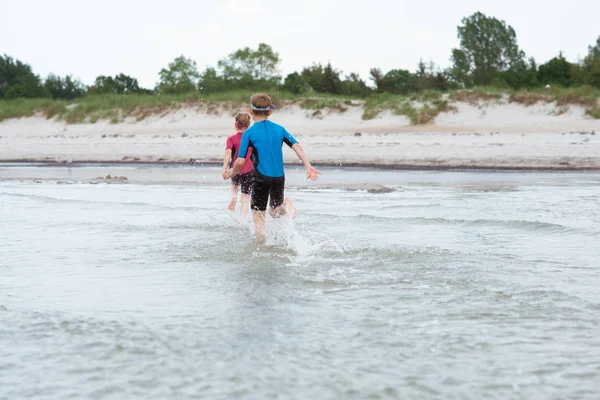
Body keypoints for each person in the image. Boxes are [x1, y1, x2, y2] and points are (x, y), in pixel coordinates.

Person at [226, 93, 321, 244]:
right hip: (279, 178)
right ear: (270, 111)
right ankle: (285, 206)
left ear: (251, 111)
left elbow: (240, 160)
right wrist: (308, 167)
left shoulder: (249, 133)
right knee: (274, 211)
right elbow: (297, 146)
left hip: (260, 179)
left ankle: (261, 250)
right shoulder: (280, 129)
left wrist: (231, 172)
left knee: (259, 217)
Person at [222, 113, 253, 218]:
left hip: (235, 170)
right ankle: (243, 220)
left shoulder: (231, 139)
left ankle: (234, 197)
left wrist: (225, 168)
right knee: (245, 198)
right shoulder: (251, 138)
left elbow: (227, 153)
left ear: (235, 125)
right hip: (249, 171)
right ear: (249, 125)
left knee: (234, 186)